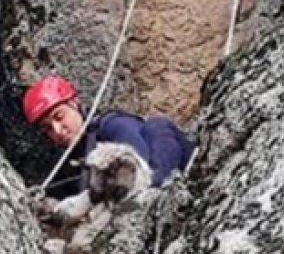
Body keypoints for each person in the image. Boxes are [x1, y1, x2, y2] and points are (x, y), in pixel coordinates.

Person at [23, 75, 195, 224]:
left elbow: (135, 163)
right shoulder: (70, 164)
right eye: (47, 129)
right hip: (141, 211)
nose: (58, 130)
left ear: (74, 104)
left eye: (60, 117)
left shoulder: (112, 125)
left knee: (157, 126)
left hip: (167, 177)